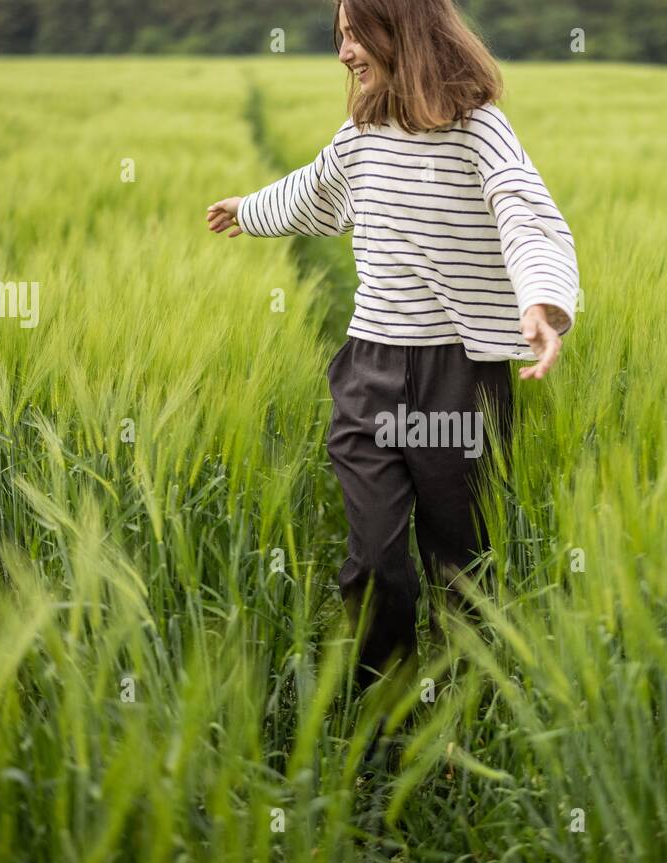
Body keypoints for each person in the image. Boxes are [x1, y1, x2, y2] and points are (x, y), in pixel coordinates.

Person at [207, 0, 579, 696]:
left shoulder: (481, 131)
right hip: (369, 370)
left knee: (460, 560)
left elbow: (524, 212)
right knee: (375, 554)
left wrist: (541, 300)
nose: (344, 51)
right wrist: (251, 209)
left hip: (457, 377)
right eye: (339, 36)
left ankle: (466, 705)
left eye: (356, 34)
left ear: (401, 30)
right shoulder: (362, 132)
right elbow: (314, 190)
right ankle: (383, 704)